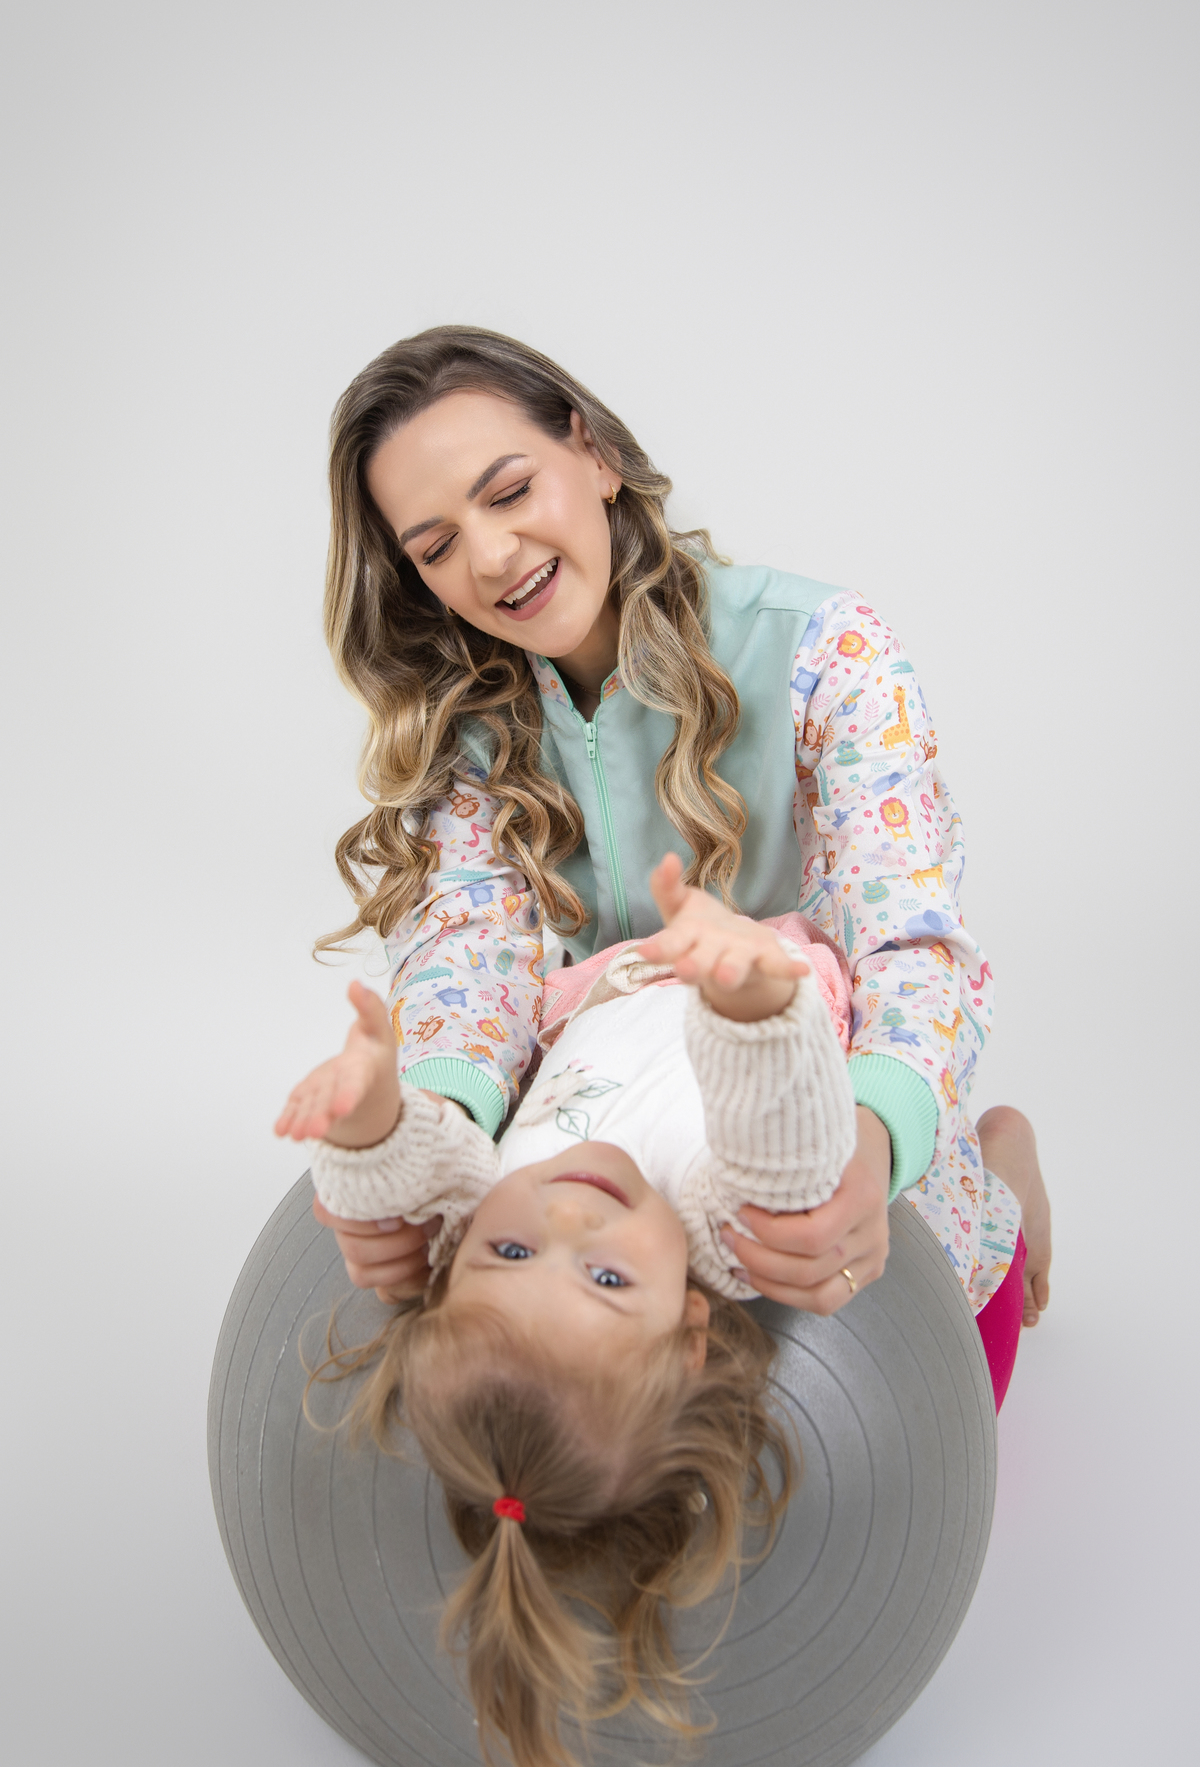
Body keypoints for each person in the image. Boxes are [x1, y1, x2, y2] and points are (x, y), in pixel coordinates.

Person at [309, 323, 1051, 1344]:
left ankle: (1002, 1169)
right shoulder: (468, 731)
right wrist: (429, 1138)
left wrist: (877, 1135)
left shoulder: (826, 652)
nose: (491, 557)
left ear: (595, 455)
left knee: (911, 1363)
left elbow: (911, 942)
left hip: (806, 1110)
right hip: (613, 1115)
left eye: (510, 491)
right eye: (435, 547)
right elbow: (465, 962)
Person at [278, 858, 869, 1767]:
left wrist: (365, 1121)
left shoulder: (496, 1198)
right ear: (688, 1335)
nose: (564, 1220)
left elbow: (425, 1176)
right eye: (608, 1280)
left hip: (621, 973)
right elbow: (787, 1154)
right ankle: (1008, 1182)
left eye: (510, 1254)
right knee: (977, 1266)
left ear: (454, 1266)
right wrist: (750, 1004)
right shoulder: (714, 1231)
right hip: (762, 973)